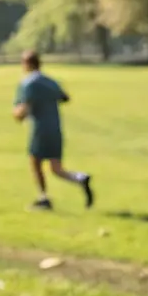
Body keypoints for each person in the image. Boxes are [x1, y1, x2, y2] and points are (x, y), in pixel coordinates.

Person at [12, 51, 93, 211]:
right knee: (56, 168)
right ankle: (80, 178)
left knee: (35, 163)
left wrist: (18, 114)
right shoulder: (50, 81)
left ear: (26, 64)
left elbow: (24, 109)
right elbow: (64, 98)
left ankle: (43, 198)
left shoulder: (28, 83)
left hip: (39, 129)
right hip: (55, 127)